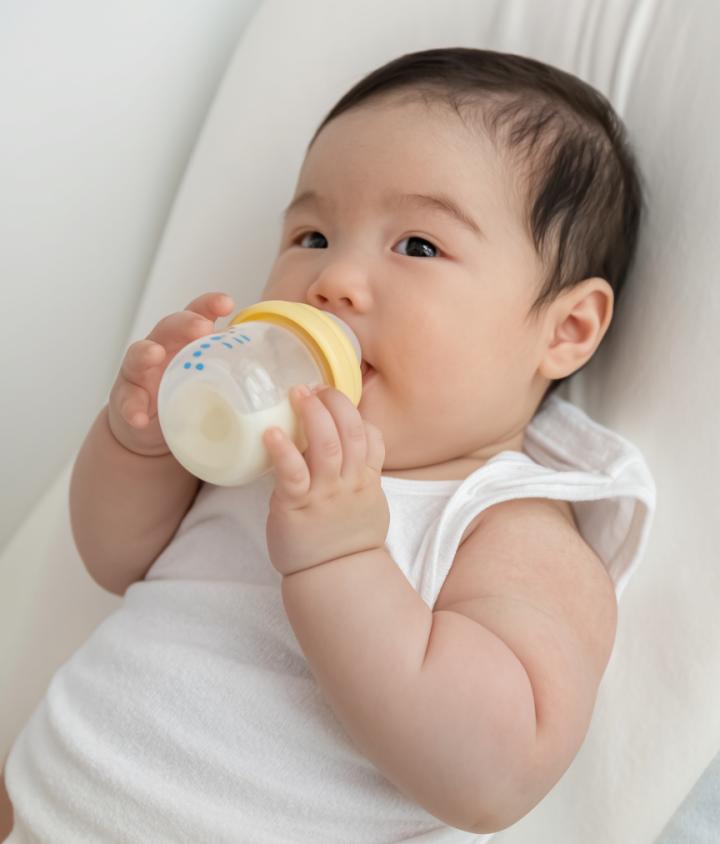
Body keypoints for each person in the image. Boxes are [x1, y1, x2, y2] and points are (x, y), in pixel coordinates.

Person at [2, 47, 655, 842]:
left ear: (566, 329)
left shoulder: (513, 528)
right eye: (312, 235)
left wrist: (342, 557)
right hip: (33, 801)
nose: (331, 279)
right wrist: (140, 444)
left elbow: (494, 779)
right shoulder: (262, 445)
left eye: (418, 245)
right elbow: (115, 561)